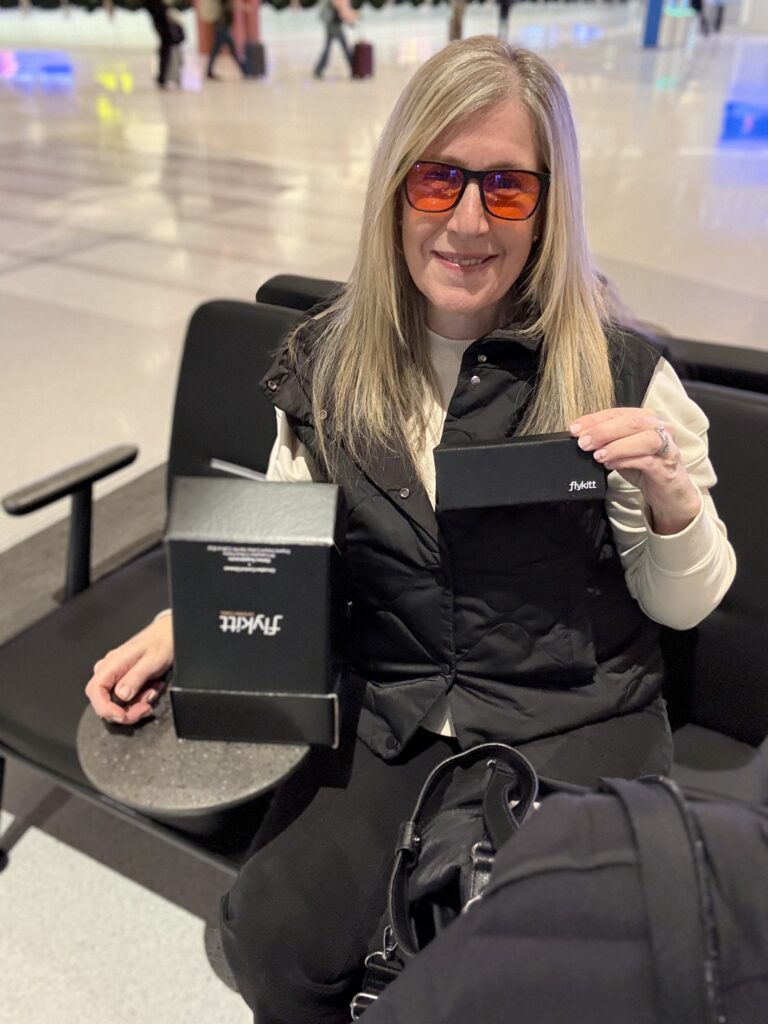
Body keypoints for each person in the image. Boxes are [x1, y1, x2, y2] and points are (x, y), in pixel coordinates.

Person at [85, 37, 736, 1024]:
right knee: (271, 940)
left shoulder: (621, 374)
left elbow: (685, 604)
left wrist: (671, 496)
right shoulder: (328, 361)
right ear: (394, 190)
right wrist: (190, 622)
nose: (467, 221)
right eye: (438, 180)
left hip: (575, 713)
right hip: (392, 701)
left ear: (549, 207)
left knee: (512, 982)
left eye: (506, 188)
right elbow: (282, 534)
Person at [314, 0, 357, 80]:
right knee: (345, 47)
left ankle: (318, 70)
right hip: (333, 24)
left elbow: (342, 10)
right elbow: (341, 9)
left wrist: (350, 20)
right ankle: (355, 69)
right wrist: (350, 22)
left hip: (331, 23)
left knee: (328, 48)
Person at [206, 0, 248, 80]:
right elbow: (229, 7)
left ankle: (209, 71)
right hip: (222, 28)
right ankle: (244, 70)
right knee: (232, 50)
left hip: (222, 27)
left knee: (216, 51)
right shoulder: (224, 4)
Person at [144, 0, 176, 89]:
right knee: (165, 48)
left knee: (165, 48)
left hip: (160, 20)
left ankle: (163, 76)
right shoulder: (157, 6)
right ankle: (162, 77)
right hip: (161, 21)